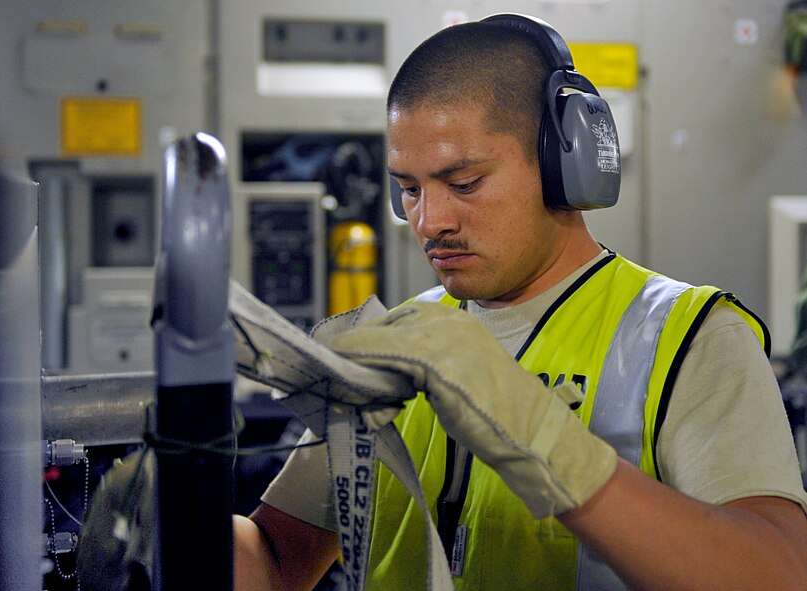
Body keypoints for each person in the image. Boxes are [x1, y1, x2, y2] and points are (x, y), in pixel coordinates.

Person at [232, 14, 807, 591]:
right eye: (409, 189)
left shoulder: (690, 337)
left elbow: (779, 573)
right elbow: (279, 562)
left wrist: (547, 440)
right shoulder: (399, 342)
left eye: (464, 183)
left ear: (566, 164)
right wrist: (175, 507)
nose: (430, 222)